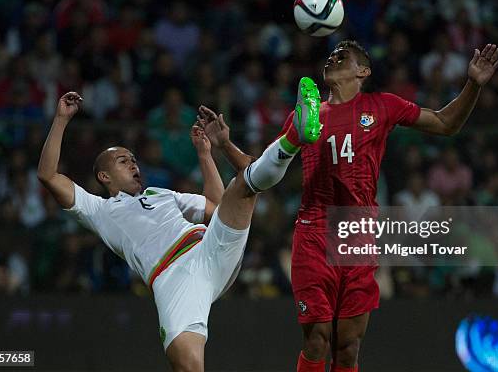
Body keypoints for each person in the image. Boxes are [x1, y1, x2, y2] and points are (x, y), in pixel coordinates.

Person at [206, 40, 498, 372]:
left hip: (357, 236)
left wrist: (473, 84)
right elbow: (260, 169)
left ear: (363, 71)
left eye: (342, 56)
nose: (332, 58)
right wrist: (224, 145)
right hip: (315, 231)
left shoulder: (383, 106)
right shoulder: (305, 114)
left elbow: (447, 123)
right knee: (317, 338)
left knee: (348, 347)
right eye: (330, 55)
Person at [37, 82, 322, 371]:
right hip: (172, 278)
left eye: (134, 160)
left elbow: (216, 206)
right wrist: (61, 120)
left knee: (242, 187)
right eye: (123, 161)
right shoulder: (98, 210)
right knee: (188, 366)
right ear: (104, 176)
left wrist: (205, 154)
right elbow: (48, 175)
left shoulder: (161, 194)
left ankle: (294, 137)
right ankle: (291, 140)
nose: (134, 165)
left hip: (208, 246)